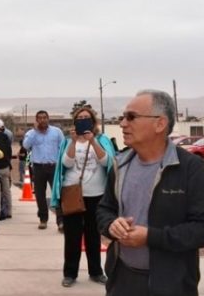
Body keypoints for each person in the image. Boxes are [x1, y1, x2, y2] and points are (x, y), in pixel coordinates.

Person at [96, 90, 204, 296]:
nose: (122, 124)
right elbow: (104, 209)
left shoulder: (192, 168)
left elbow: (200, 228)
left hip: (172, 285)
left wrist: (151, 237)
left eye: (131, 117)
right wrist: (112, 225)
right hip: (122, 281)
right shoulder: (120, 165)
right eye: (122, 117)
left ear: (160, 124)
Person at [51, 107, 115, 287]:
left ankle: (96, 271)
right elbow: (66, 163)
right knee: (72, 236)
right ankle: (70, 273)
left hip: (97, 195)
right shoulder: (67, 141)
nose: (83, 120)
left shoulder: (102, 140)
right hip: (72, 193)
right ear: (75, 121)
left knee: (93, 235)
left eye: (87, 118)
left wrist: (92, 141)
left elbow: (108, 162)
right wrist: (73, 142)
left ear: (93, 121)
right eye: (80, 118)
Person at [23, 110, 64, 230]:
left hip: (54, 166)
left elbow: (62, 148)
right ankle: (43, 219)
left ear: (48, 118)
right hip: (38, 167)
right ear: (36, 120)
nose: (42, 120)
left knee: (57, 194)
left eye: (44, 117)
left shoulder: (56, 132)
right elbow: (25, 145)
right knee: (40, 195)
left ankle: (61, 221)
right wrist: (34, 132)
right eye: (39, 118)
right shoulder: (31, 133)